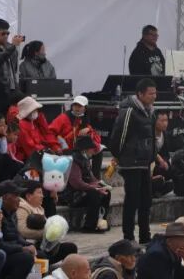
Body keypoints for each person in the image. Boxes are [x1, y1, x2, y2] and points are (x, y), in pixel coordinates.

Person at [111, 77, 156, 245]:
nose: (154, 96)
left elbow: (151, 137)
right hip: (131, 163)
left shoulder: (150, 111)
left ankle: (145, 235)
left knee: (146, 201)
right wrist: (119, 155)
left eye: (155, 93)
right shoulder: (129, 111)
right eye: (150, 94)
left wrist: (152, 156)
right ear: (140, 94)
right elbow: (119, 135)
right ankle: (128, 236)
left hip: (145, 162)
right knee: (132, 200)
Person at [17, 180, 78, 264]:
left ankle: (68, 269)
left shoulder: (39, 208)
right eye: (39, 193)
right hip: (29, 248)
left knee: (71, 248)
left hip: (43, 246)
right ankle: (38, 271)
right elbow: (23, 230)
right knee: (41, 256)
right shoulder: (22, 207)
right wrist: (47, 233)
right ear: (29, 196)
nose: (42, 196)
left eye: (42, 193)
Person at [66, 134, 111, 232]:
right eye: (91, 148)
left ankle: (101, 221)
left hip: (84, 190)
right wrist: (94, 188)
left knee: (106, 192)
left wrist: (101, 184)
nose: (93, 150)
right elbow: (76, 183)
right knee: (94, 193)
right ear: (84, 149)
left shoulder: (85, 160)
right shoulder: (74, 161)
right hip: (74, 194)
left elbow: (91, 178)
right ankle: (90, 226)